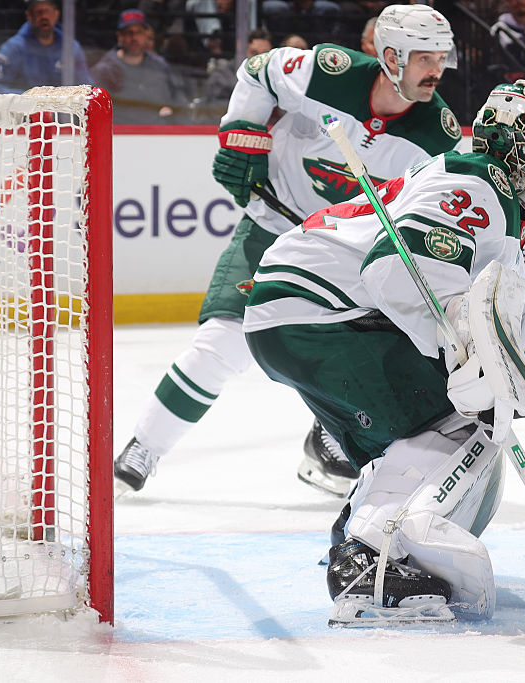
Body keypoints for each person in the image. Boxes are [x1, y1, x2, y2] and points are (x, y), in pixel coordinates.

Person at [242, 79, 525, 624]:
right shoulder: (475, 181)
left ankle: (368, 533)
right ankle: (371, 561)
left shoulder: (503, 204)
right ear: (506, 141)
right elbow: (396, 272)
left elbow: (488, 305)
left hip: (309, 315)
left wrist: (504, 339)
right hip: (319, 313)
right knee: (454, 425)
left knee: (445, 446)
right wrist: (473, 350)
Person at [112, 4, 464, 498]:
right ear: (390, 56)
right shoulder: (327, 72)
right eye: (425, 58)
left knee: (356, 360)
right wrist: (243, 138)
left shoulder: (436, 136)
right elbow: (258, 74)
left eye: (442, 58)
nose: (437, 71)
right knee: (222, 343)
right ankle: (143, 447)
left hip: (342, 258)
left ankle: (331, 443)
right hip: (273, 226)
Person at [90, 9, 189, 125]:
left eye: (139, 32)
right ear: (119, 36)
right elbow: (95, 113)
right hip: (119, 136)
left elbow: (179, 102)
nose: (135, 38)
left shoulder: (160, 66)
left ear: (146, 35)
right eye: (129, 33)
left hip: (157, 135)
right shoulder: (105, 70)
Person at [0, 0, 91, 94]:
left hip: (64, 114)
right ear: (29, 16)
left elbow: (87, 88)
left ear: (56, 14)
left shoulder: (71, 48)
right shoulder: (13, 48)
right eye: (39, 12)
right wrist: (30, 99)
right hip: (25, 113)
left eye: (48, 11)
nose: (44, 16)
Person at [204, 29, 274, 104]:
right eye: (254, 53)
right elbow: (213, 109)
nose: (259, 59)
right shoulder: (221, 77)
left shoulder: (276, 77)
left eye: (265, 54)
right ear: (242, 51)